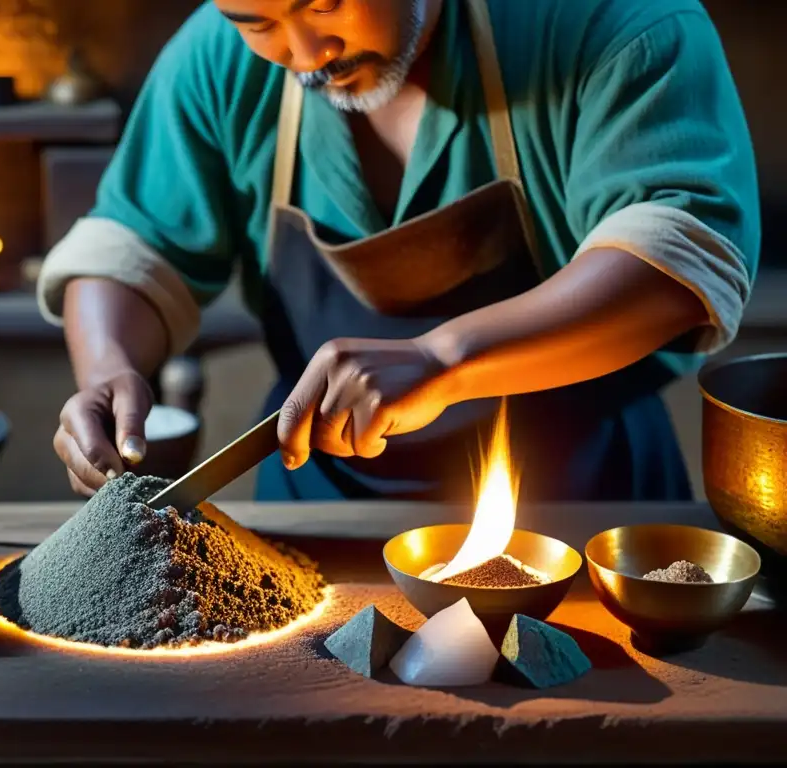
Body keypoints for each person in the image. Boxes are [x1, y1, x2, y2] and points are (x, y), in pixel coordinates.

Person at [39, 0, 759, 504]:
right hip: (316, 508)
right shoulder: (217, 56)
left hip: (581, 498)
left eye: (327, 4)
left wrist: (444, 360)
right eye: (258, 23)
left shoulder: (611, 22)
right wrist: (107, 370)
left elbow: (678, 255)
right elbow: (131, 244)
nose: (304, 56)